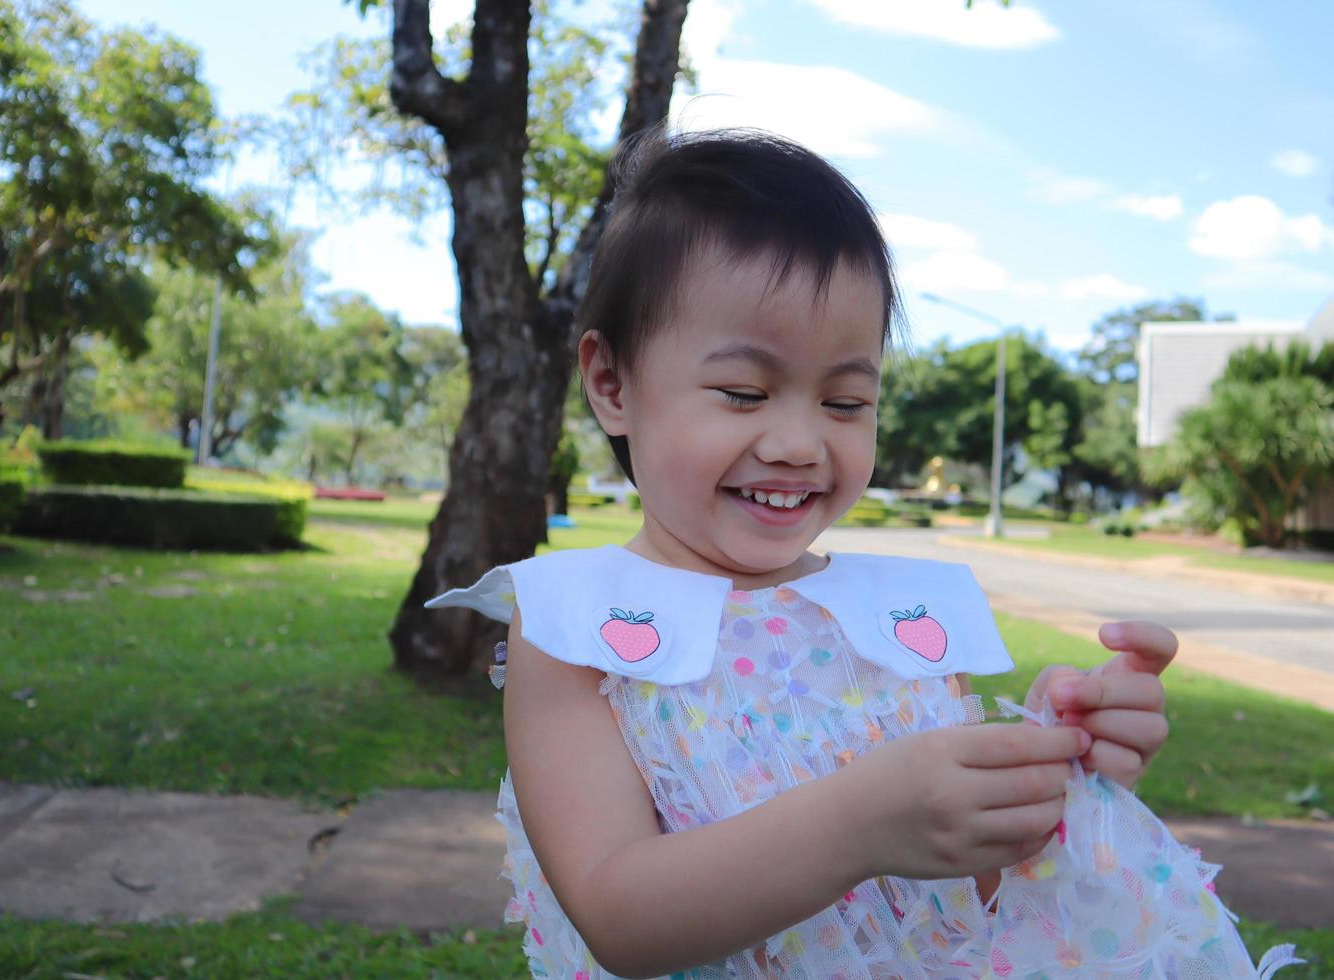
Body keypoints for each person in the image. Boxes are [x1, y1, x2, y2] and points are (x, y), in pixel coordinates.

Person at [427, 129, 1299, 979]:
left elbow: (967, 899)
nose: (801, 442)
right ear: (613, 385)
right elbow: (621, 917)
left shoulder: (902, 620)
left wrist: (1041, 773)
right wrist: (857, 824)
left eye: (846, 402)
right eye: (744, 392)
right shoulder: (574, 628)